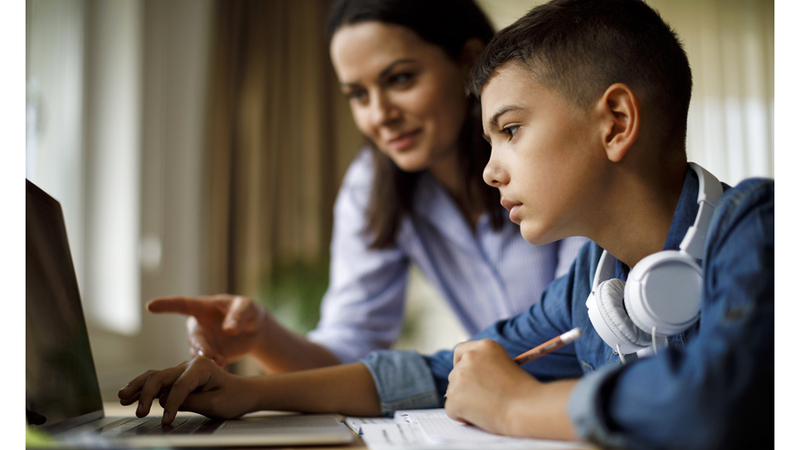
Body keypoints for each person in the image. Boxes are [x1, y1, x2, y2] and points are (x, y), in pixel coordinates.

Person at [119, 1, 774, 448]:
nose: (493, 172)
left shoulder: (759, 228)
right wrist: (248, 396)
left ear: (615, 123)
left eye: (511, 131)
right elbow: (448, 370)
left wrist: (515, 406)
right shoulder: (590, 284)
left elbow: (715, 399)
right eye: (488, 141)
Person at [145, 0, 585, 373]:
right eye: (357, 94)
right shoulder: (372, 185)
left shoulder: (549, 153)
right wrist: (261, 334)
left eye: (400, 79)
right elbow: (350, 343)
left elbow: (576, 326)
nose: (379, 114)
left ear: (469, 61)